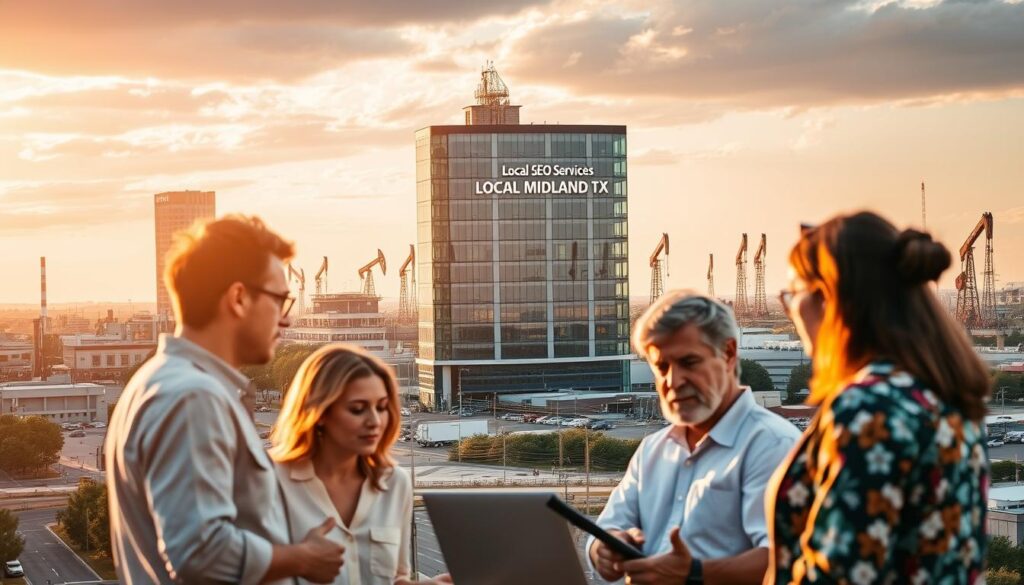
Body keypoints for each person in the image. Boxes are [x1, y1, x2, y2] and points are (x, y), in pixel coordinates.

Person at [105, 215, 344, 584]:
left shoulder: (156, 381)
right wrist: (302, 559)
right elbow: (201, 554)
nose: (287, 321)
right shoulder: (192, 397)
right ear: (238, 298)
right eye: (280, 299)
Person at [768, 211, 990, 584]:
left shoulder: (868, 409)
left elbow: (839, 576)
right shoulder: (945, 397)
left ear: (829, 298)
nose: (791, 310)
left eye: (793, 294)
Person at [588, 291, 801, 584]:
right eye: (661, 367)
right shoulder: (652, 450)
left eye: (689, 362)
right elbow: (607, 529)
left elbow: (786, 560)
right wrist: (605, 549)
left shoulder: (773, 446)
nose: (673, 381)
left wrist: (694, 574)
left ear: (728, 354)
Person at [270, 343, 451, 585]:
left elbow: (395, 577)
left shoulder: (395, 484)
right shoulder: (268, 481)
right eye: (357, 409)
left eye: (382, 407)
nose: (375, 421)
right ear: (320, 413)